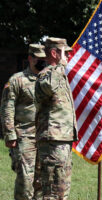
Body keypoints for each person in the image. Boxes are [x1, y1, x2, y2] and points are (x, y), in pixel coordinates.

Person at [0, 44, 46, 200]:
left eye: (44, 59)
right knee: (26, 180)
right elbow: (7, 108)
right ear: (30, 58)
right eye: (38, 59)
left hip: (45, 136)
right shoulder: (17, 80)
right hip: (24, 136)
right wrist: (9, 134)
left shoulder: (49, 81)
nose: (41, 62)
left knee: (41, 180)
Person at [34, 37, 77, 200]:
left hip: (62, 140)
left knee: (62, 190)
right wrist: (60, 66)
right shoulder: (46, 75)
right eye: (65, 52)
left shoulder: (59, 75)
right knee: (52, 192)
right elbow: (49, 88)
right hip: (52, 141)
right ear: (54, 53)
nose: (68, 56)